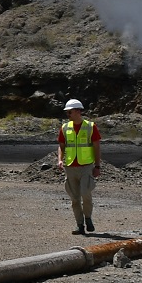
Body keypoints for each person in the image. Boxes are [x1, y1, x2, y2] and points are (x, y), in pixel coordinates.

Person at [58, 98, 102, 235]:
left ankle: (88, 218)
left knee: (85, 193)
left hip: (86, 166)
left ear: (78, 111)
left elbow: (96, 147)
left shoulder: (90, 127)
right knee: (75, 198)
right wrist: (60, 160)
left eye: (70, 112)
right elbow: (61, 146)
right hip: (70, 167)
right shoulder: (65, 128)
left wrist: (97, 166)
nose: (68, 115)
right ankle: (80, 225)